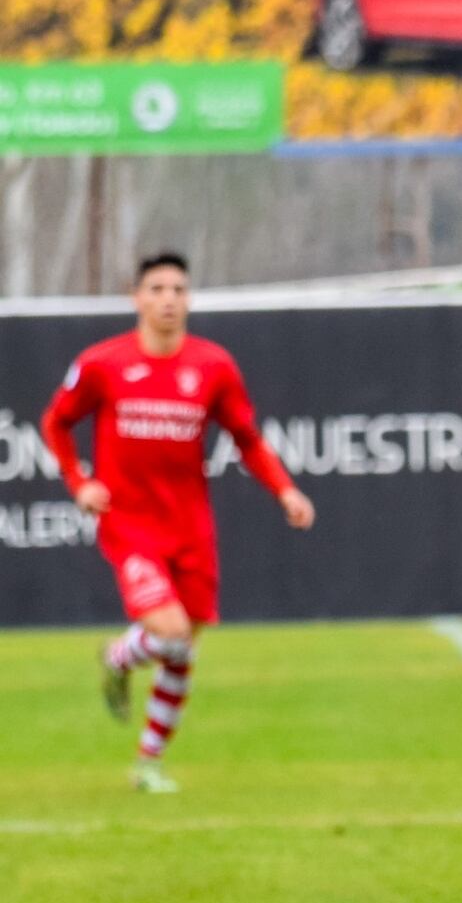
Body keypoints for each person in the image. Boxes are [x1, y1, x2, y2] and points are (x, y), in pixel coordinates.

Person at [41, 252, 315, 794]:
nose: (168, 299)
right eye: (157, 288)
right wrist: (80, 482)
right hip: (130, 523)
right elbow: (56, 421)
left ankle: (148, 762)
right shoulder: (103, 363)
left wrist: (285, 489)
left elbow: (248, 440)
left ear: (188, 299)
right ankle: (117, 655)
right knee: (168, 631)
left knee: (185, 646)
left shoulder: (213, 366)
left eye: (178, 289)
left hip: (190, 526)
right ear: (136, 298)